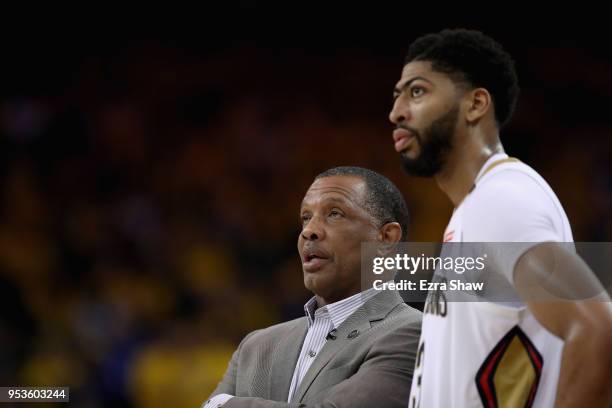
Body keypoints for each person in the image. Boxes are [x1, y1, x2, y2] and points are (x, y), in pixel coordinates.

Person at [389, 29, 612, 407]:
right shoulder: (476, 208)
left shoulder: (501, 200)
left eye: (417, 91)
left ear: (476, 105)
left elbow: (596, 331)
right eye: (396, 96)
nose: (396, 112)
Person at [203, 166, 422, 408]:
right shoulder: (256, 346)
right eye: (306, 217)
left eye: (334, 214)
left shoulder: (414, 332)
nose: (309, 231)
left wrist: (224, 405)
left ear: (387, 238)